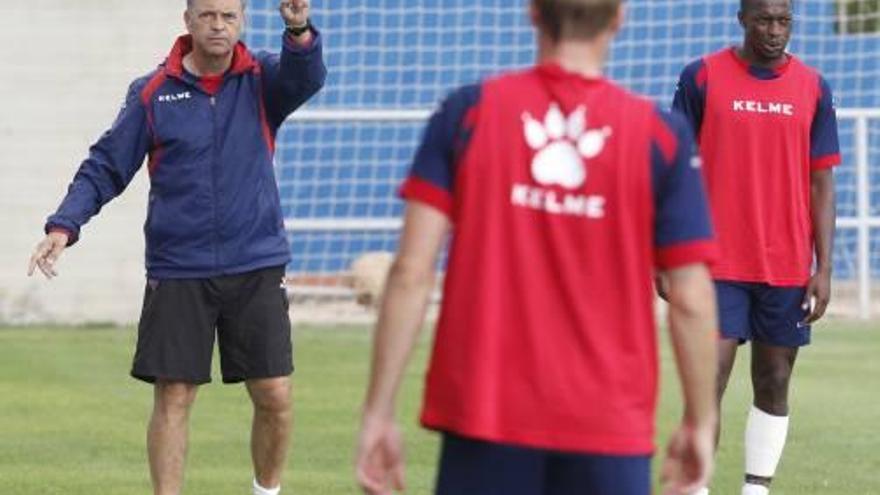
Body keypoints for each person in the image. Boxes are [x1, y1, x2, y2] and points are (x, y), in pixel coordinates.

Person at [355, 1, 720, 494]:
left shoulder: (469, 112)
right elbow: (692, 299)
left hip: (486, 416)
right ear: (619, 18)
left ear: (532, 13)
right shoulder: (660, 135)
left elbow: (411, 273)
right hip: (608, 422)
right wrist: (700, 421)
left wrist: (379, 412)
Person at [27, 0, 325, 494]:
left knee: (274, 394)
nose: (218, 25)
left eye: (229, 16)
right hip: (179, 266)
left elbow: (306, 77)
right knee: (175, 396)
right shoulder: (151, 92)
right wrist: (64, 225)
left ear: (242, 22)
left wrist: (297, 29)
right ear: (187, 19)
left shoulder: (264, 82)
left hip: (255, 261)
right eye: (208, 14)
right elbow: (106, 166)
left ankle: (266, 491)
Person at [671, 1, 840, 494]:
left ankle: (756, 488)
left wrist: (823, 267)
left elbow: (821, 183)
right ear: (742, 19)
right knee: (709, 379)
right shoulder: (700, 77)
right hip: (715, 261)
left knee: (774, 378)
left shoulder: (813, 86)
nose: (774, 30)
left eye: (783, 20)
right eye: (764, 19)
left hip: (786, 264)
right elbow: (677, 169)